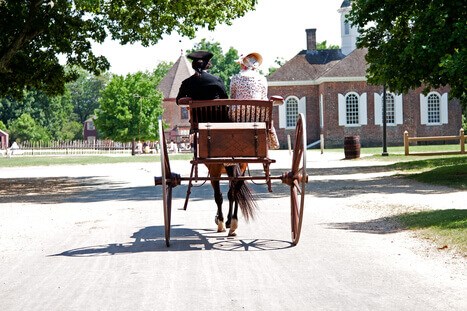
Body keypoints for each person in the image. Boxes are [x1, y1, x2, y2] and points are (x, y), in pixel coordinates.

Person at [230, 52, 280, 149]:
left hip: (238, 117)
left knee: (231, 111)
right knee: (264, 112)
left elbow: (232, 96)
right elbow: (264, 96)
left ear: (243, 65)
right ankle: (268, 143)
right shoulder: (262, 79)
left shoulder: (235, 78)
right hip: (258, 116)